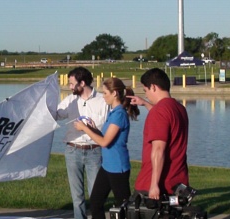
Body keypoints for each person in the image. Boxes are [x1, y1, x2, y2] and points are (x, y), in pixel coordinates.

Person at [74, 77, 140, 219]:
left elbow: (104, 142)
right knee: (96, 202)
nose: (103, 97)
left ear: (114, 93)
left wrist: (85, 128)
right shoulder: (113, 113)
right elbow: (104, 136)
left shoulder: (119, 114)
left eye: (105, 93)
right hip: (107, 166)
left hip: (118, 168)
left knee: (124, 208)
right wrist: (92, 129)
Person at [127, 68, 189, 200]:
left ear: (153, 87)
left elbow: (158, 149)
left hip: (156, 184)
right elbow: (164, 118)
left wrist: (153, 184)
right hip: (178, 182)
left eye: (146, 91)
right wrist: (144, 103)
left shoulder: (159, 112)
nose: (146, 95)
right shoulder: (179, 109)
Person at [57, 67, 109, 219]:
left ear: (82, 83)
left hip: (95, 151)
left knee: (96, 195)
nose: (69, 87)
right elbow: (56, 115)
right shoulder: (70, 100)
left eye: (72, 84)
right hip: (73, 150)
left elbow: (109, 127)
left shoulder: (102, 100)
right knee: (77, 196)